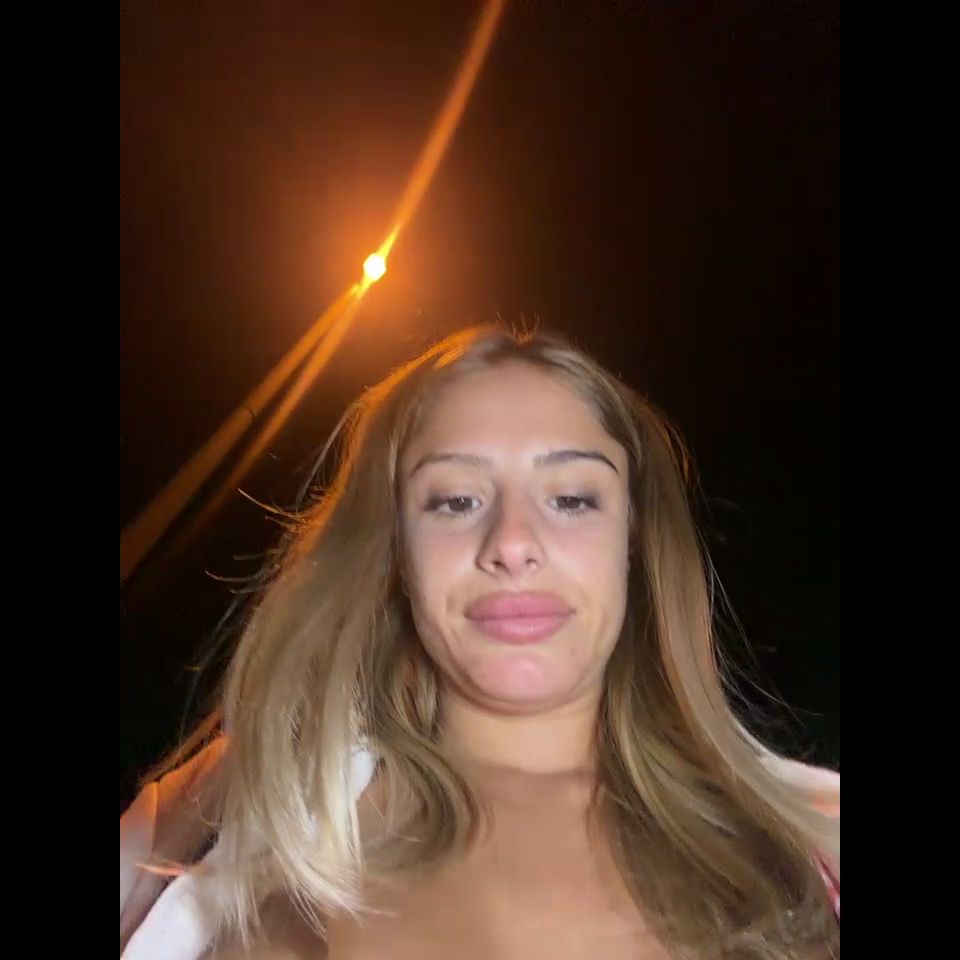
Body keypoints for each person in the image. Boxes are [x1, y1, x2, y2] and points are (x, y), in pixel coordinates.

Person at [120, 327, 840, 959]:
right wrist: (228, 778)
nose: (513, 542)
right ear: (393, 552)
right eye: (456, 500)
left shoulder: (802, 842)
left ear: (634, 541)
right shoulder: (247, 827)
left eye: (572, 498)